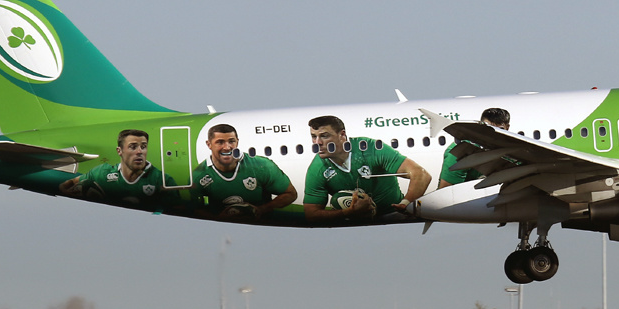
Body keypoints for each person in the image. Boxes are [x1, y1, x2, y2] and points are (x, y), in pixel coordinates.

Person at [303, 115, 431, 222]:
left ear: (342, 135)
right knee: (338, 199)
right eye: (314, 137)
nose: (317, 142)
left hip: (395, 214)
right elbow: (311, 214)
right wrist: (347, 212)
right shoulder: (317, 169)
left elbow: (421, 175)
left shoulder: (370, 149)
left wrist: (405, 204)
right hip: (357, 223)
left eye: (324, 136)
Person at [190, 124, 297, 220]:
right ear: (209, 144)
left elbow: (290, 194)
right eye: (220, 142)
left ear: (237, 142)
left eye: (231, 141)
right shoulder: (199, 175)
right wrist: (219, 218)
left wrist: (261, 209)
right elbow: (194, 208)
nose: (227, 147)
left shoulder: (262, 166)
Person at [58, 129, 178, 210]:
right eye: (133, 147)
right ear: (119, 151)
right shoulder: (103, 173)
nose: (139, 152)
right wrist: (68, 192)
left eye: (143, 147)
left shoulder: (162, 180)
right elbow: (70, 183)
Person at [437, 107, 511, 188]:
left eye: (500, 130)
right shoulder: (461, 152)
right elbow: (447, 191)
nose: (493, 135)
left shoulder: (510, 151)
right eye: (488, 129)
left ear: (507, 128)